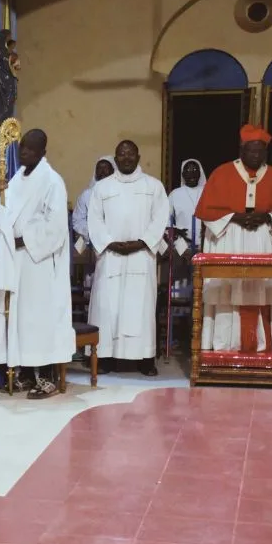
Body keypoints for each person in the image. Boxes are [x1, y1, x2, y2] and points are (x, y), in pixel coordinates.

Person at [194, 124, 272, 353]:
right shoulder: (222, 173)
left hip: (259, 239)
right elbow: (207, 213)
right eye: (252, 151)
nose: (256, 155)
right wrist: (234, 217)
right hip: (228, 236)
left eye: (261, 151)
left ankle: (261, 345)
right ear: (242, 150)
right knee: (226, 289)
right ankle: (222, 346)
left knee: (259, 287)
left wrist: (266, 215)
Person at [0, 129, 74, 398]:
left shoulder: (52, 181)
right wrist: (0, 218)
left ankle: (46, 377)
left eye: (30, 149)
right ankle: (23, 372)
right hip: (16, 261)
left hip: (38, 261)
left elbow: (56, 226)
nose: (24, 152)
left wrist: (24, 240)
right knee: (19, 318)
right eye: (22, 147)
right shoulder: (14, 180)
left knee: (39, 318)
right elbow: (7, 215)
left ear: (42, 153)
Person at [87, 140, 169, 376]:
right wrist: (109, 242)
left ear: (138, 156)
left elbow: (160, 217)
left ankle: (144, 359)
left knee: (140, 307)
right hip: (111, 255)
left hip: (141, 256)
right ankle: (105, 358)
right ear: (115, 158)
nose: (126, 158)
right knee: (107, 308)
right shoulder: (102, 188)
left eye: (130, 154)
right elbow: (95, 220)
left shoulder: (153, 186)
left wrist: (141, 242)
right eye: (121, 155)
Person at [71, 156, 116, 242]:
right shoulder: (86, 195)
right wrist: (91, 232)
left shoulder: (122, 193)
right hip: (93, 242)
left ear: (113, 171)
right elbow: (77, 220)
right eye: (99, 168)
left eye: (106, 168)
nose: (102, 171)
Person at [168, 159, 206, 244]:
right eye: (188, 170)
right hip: (182, 243)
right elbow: (166, 218)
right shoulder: (175, 194)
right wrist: (176, 231)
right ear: (183, 174)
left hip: (205, 241)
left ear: (200, 173)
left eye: (195, 170)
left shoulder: (207, 192)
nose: (192, 173)